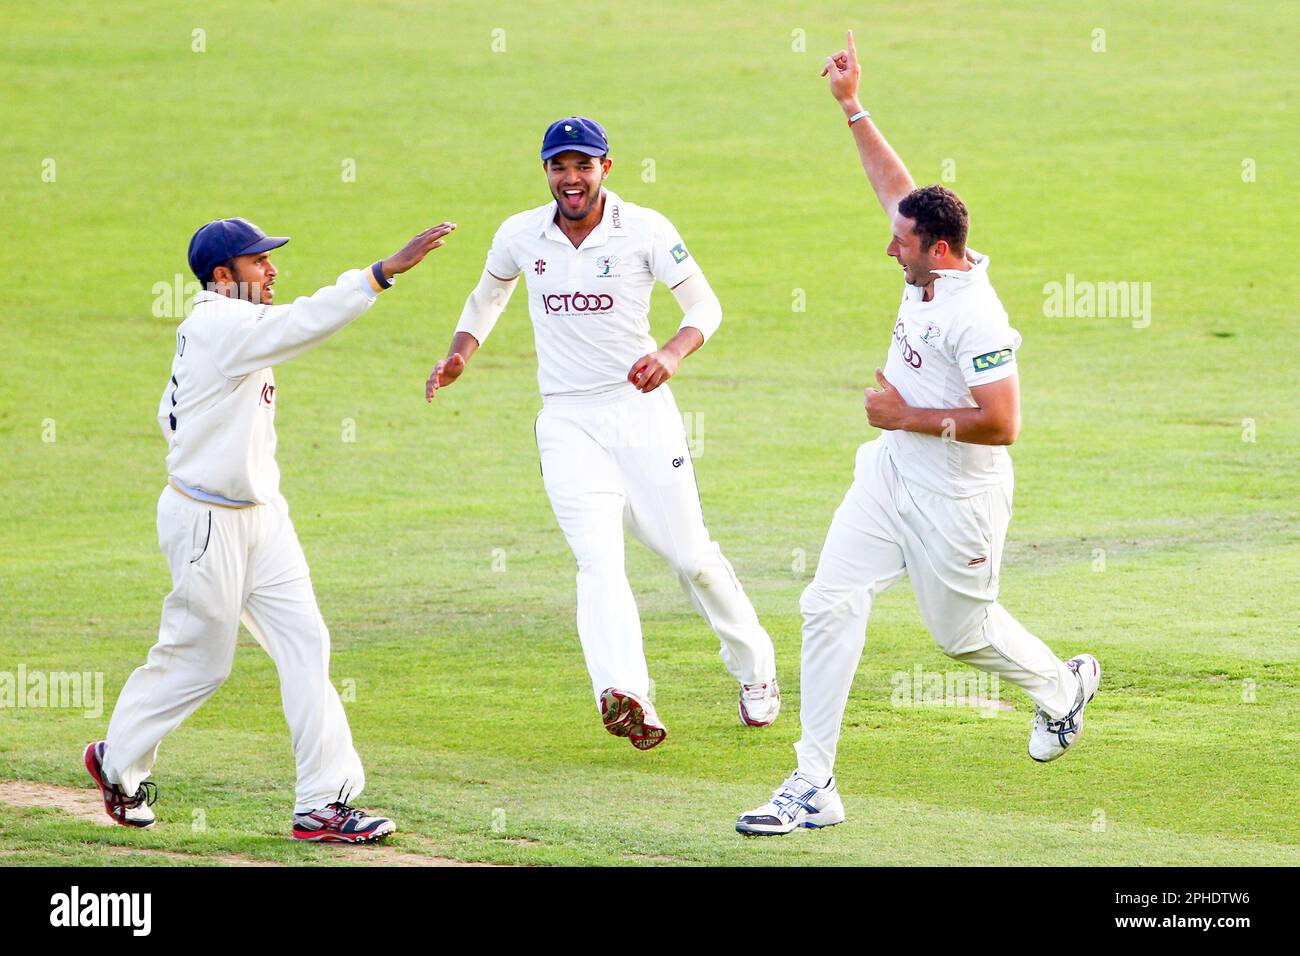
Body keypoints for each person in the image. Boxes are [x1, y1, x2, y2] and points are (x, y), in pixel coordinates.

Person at [736, 34, 1101, 836]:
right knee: (827, 604)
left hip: (957, 497)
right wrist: (851, 105)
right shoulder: (929, 251)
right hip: (892, 473)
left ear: (935, 250)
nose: (887, 245)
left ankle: (1062, 689)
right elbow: (895, 189)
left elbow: (1004, 423)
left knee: (961, 635)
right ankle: (813, 781)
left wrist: (908, 414)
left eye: (900, 241)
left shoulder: (977, 316)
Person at [85, 216, 456, 842]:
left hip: (261, 515)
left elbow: (170, 412)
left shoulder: (227, 326)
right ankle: (117, 761)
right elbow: (302, 322)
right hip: (207, 522)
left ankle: (322, 804)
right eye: (259, 261)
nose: (273, 268)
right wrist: (380, 273)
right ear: (223, 277)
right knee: (200, 664)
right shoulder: (220, 323)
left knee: (306, 646)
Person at [425, 117, 778, 750]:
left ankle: (756, 669)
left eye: (583, 166)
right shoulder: (520, 235)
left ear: (605, 169)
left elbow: (706, 307)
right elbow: (488, 296)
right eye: (559, 167)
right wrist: (460, 353)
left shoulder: (645, 228)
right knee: (598, 561)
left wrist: (671, 353)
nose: (571, 179)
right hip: (566, 421)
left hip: (639, 414)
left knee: (690, 559)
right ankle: (627, 693)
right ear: (546, 173)